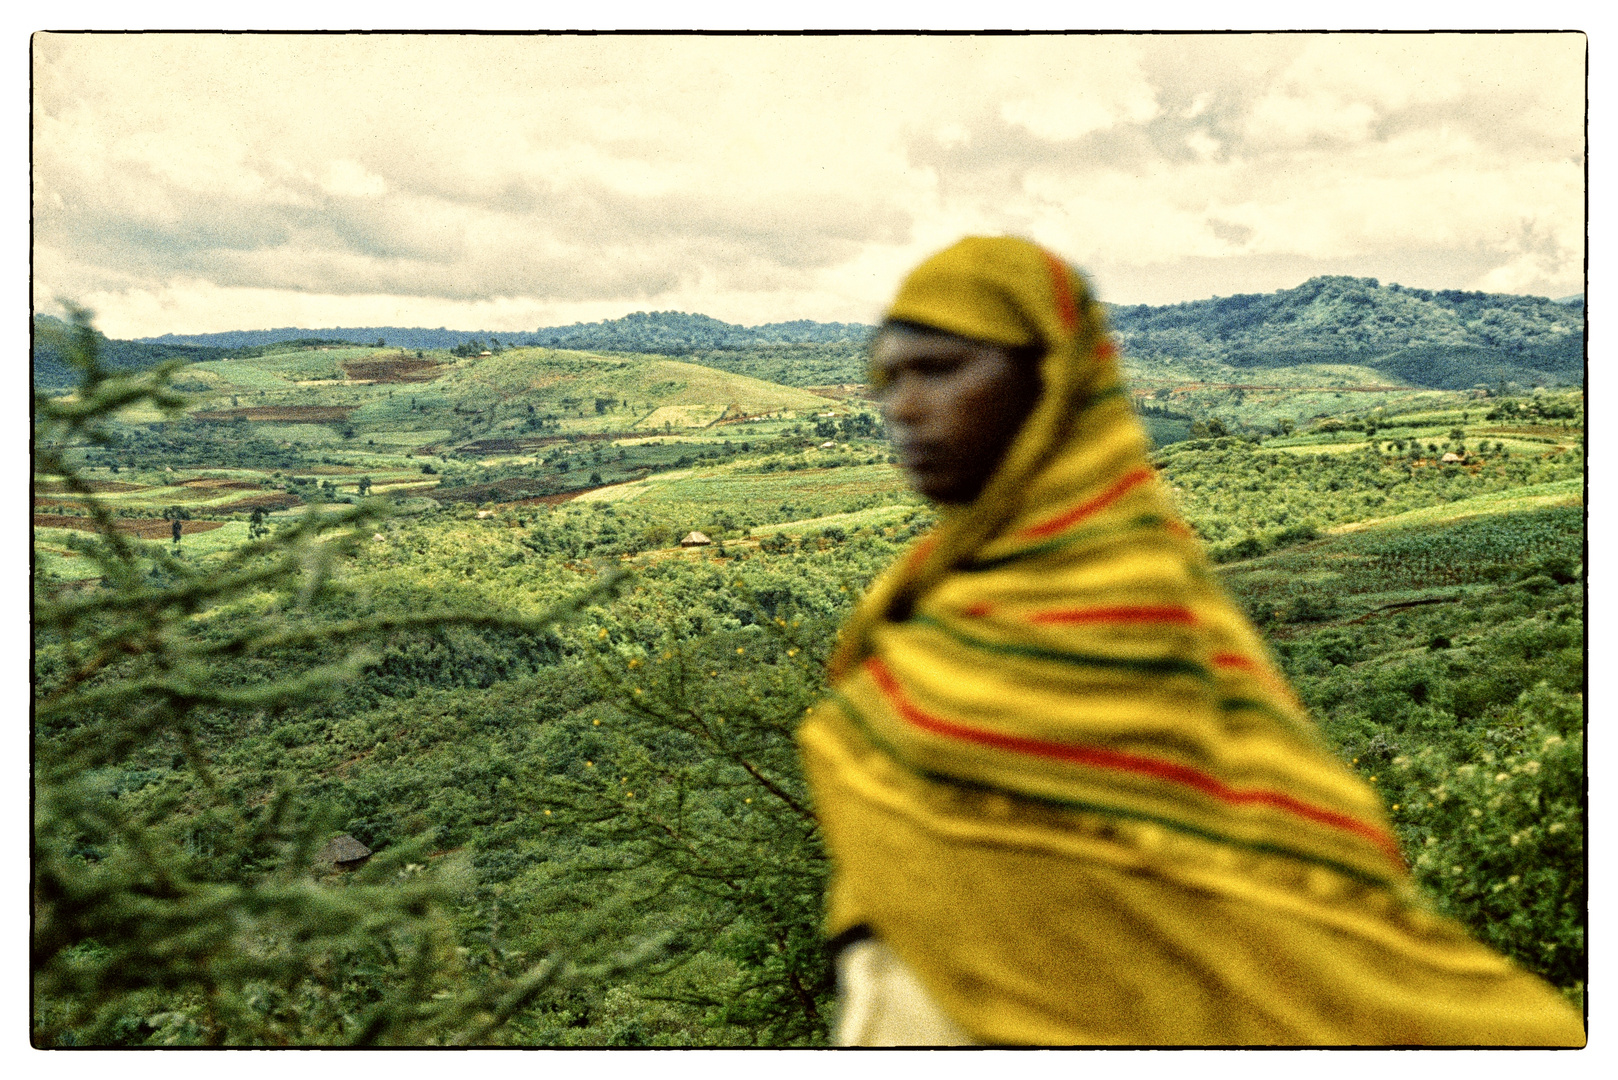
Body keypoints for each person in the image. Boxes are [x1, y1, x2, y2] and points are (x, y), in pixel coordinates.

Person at [796, 236, 1585, 1046]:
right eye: (889, 378)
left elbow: (1246, 891)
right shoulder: (922, 605)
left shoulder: (1138, 612)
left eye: (940, 369)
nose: (904, 406)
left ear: (1055, 380)